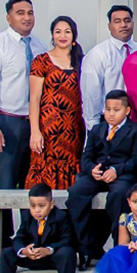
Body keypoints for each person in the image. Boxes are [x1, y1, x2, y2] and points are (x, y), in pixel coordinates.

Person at [0, 0, 48, 242]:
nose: (26, 17)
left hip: (35, 124)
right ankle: (1, 239)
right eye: (20, 13)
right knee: (4, 183)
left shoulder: (38, 47)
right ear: (9, 17)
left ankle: (28, 235)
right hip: (7, 122)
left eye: (30, 12)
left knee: (32, 182)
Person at [67, 89, 137, 269]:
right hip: (98, 173)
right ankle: (86, 247)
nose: (111, 114)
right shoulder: (97, 129)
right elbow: (87, 156)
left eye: (116, 110)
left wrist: (117, 170)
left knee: (118, 196)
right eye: (108, 109)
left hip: (122, 174)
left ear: (127, 111)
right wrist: (91, 169)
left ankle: (118, 244)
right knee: (76, 192)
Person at [26, 16, 86, 191]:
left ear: (74, 35)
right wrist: (35, 131)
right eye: (58, 31)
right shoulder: (42, 61)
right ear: (52, 35)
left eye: (67, 31)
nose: (63, 35)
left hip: (74, 129)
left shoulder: (82, 60)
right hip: (49, 128)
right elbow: (34, 99)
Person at [0, 182, 76, 273]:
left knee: (68, 253)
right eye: (33, 206)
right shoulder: (27, 216)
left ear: (51, 204)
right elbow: (19, 237)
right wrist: (24, 251)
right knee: (7, 252)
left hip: (50, 257)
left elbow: (68, 239)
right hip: (32, 257)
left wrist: (48, 250)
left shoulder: (61, 217)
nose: (37, 210)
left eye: (41, 206)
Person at [80, 5, 137, 132]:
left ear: (133, 24)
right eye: (117, 21)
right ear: (109, 26)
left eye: (127, 20)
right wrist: (94, 128)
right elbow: (91, 94)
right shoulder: (98, 54)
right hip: (108, 120)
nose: (123, 25)